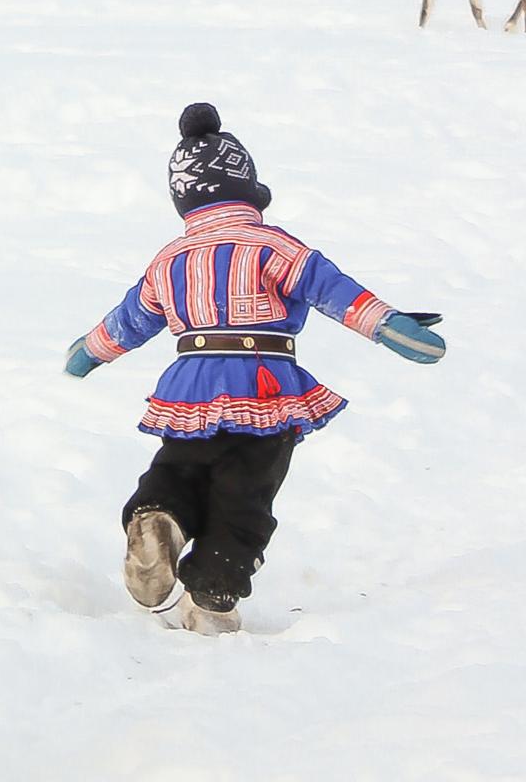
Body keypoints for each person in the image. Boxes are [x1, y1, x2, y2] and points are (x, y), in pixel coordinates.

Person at [65, 104, 447, 634]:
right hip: (263, 384)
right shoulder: (274, 245)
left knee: (180, 466)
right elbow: (334, 292)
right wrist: (390, 325)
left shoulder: (170, 258)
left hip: (189, 386)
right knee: (245, 489)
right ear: (246, 186)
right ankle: (214, 590)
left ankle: (159, 516)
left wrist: (88, 351)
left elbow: (131, 319)